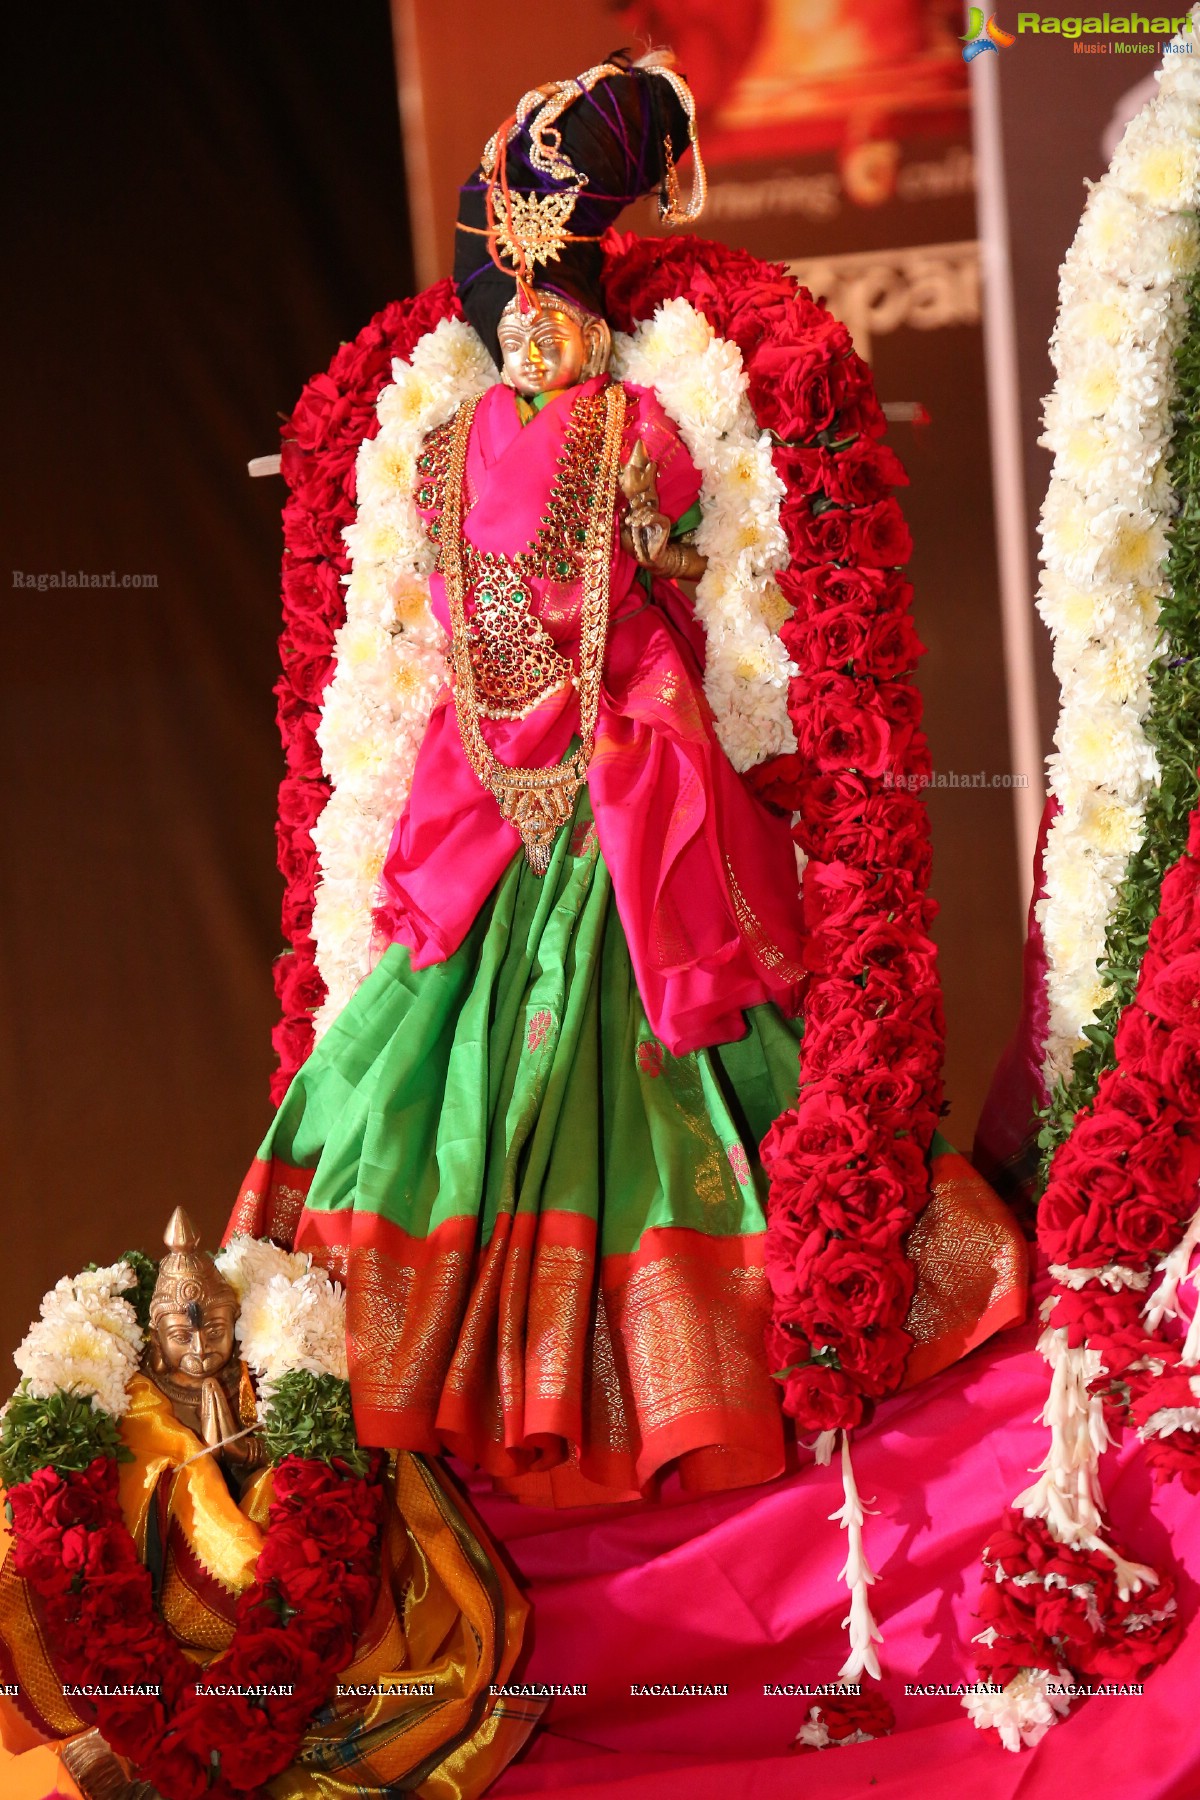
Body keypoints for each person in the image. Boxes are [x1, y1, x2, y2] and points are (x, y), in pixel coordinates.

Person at [230, 53, 1025, 1507]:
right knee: (693, 1056)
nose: (551, 350)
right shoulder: (638, 436)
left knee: (431, 1075)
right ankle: (695, 1377)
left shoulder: (447, 458)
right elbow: (663, 569)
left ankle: (464, 1391)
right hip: (620, 795)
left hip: (492, 808)